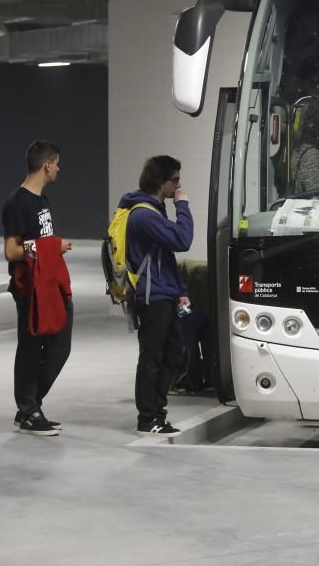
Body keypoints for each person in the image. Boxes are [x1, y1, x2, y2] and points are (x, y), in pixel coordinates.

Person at [118, 156, 193, 436]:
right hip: (151, 298)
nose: (179, 185)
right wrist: (182, 205)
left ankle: (156, 414)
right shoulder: (144, 215)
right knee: (152, 358)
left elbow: (165, 256)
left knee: (174, 355)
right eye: (175, 180)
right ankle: (148, 418)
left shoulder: (154, 210)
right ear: (161, 182)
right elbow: (182, 241)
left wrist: (180, 290)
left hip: (163, 294)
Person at [2, 141, 73, 436]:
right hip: (29, 287)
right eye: (56, 163)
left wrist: (50, 251)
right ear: (46, 165)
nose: (58, 168)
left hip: (49, 283)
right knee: (31, 348)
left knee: (59, 347)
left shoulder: (42, 200)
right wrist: (52, 247)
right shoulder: (17, 203)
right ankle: (28, 409)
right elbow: (10, 250)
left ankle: (30, 406)